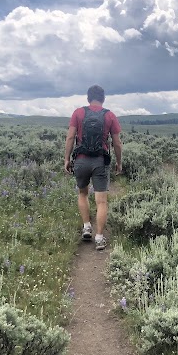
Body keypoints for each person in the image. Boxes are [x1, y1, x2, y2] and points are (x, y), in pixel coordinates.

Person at [64, 85, 122, 250]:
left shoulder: (78, 113)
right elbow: (117, 143)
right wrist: (119, 162)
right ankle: (99, 237)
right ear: (103, 98)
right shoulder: (109, 115)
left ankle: (87, 226)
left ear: (88, 98)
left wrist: (66, 159)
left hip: (81, 160)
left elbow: (70, 137)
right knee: (101, 201)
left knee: (82, 194)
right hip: (100, 162)